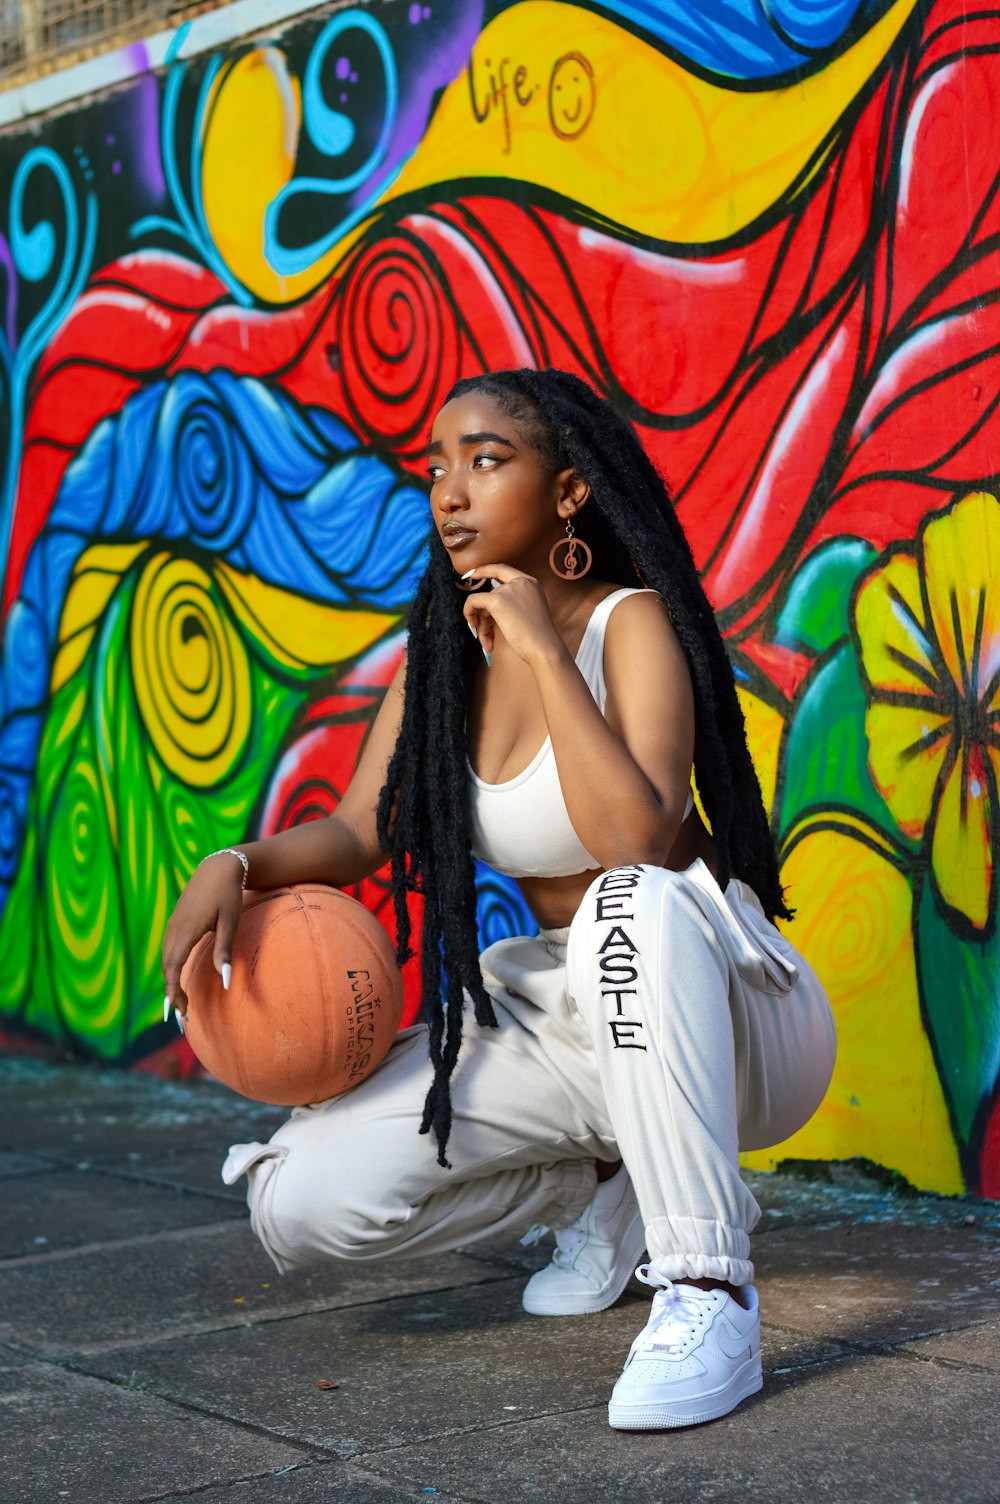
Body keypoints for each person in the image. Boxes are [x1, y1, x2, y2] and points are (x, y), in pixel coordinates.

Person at [162, 368, 836, 1431]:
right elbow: (360, 829)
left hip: (729, 1016)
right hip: (565, 1024)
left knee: (630, 903)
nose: (450, 491)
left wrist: (540, 650)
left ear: (569, 492)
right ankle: (605, 1181)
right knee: (299, 1200)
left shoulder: (631, 624)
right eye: (436, 467)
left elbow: (638, 839)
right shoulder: (442, 659)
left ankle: (707, 1289)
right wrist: (236, 865)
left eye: (485, 459)